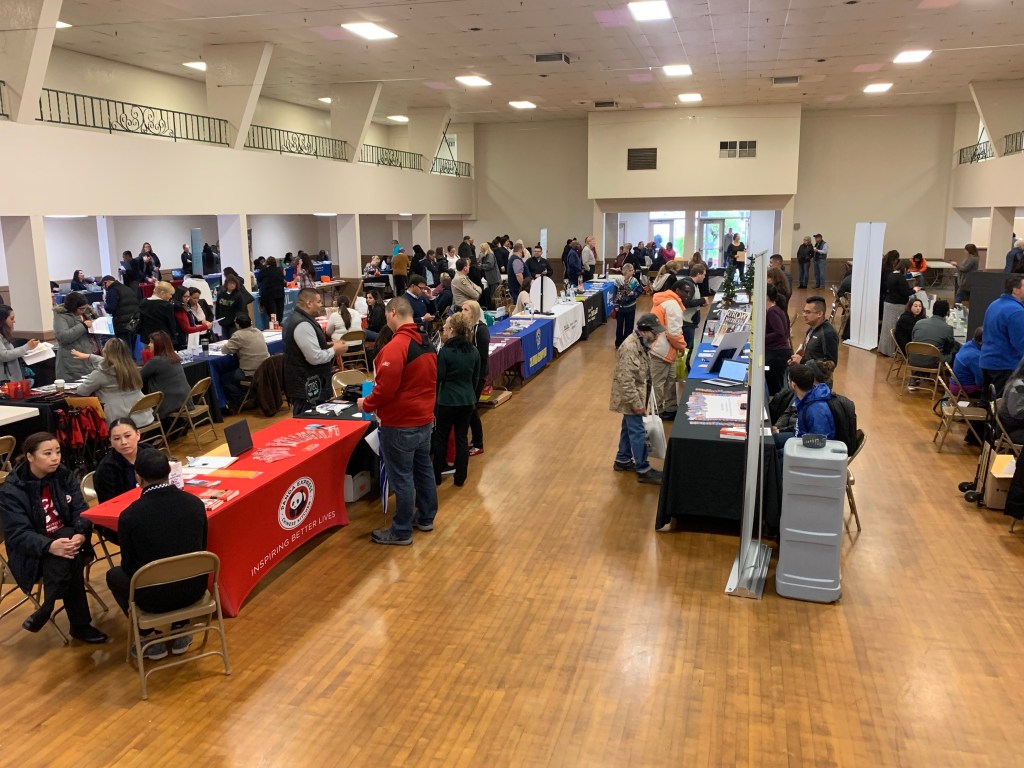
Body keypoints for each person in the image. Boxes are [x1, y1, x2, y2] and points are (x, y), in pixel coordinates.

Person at [0, 433, 107, 643]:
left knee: (67, 542)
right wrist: (49, 546)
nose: (55, 458)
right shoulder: (13, 490)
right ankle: (79, 625)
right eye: (47, 453)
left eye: (57, 452)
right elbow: (18, 535)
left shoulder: (64, 475)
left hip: (67, 543)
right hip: (33, 554)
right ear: (30, 456)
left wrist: (81, 534)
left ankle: (48, 606)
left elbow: (80, 510)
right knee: (70, 556)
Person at [104, 449, 207, 660]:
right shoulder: (195, 504)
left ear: (138, 477)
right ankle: (181, 627)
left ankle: (148, 636)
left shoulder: (130, 516)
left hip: (153, 599)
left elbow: (129, 566)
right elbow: (201, 547)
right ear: (169, 471)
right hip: (194, 589)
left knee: (114, 575)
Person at [357, 297, 438, 545]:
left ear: (392, 312)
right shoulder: (426, 341)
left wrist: (366, 404)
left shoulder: (396, 346)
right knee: (423, 471)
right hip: (424, 419)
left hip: (401, 423)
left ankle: (401, 530)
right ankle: (425, 517)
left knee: (402, 478)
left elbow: (385, 389)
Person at [610, 313, 663, 485]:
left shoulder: (641, 344)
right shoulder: (629, 348)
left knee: (628, 428)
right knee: (638, 431)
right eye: (655, 333)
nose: (656, 337)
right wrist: (636, 404)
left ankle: (623, 459)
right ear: (644, 331)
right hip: (630, 397)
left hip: (636, 395)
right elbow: (625, 380)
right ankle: (643, 469)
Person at [432, 312, 480, 487]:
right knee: (462, 438)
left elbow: (438, 377)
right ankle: (460, 477)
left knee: (441, 438)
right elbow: (475, 378)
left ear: (452, 330)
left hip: (447, 401)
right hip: (467, 400)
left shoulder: (445, 351)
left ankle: (436, 476)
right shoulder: (473, 351)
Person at [282, 288, 347, 415]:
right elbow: (314, 357)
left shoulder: (295, 318)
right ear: (309, 303)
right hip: (307, 387)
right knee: (309, 421)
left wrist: (329, 345)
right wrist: (334, 350)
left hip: (306, 384)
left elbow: (308, 347)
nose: (321, 305)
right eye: (318, 302)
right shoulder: (302, 324)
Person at [74, 338, 154, 427]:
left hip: (119, 422)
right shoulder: (133, 369)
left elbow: (82, 391)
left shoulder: (102, 373)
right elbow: (114, 361)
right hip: (144, 417)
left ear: (105, 352)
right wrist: (90, 356)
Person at [93, 418, 161, 504]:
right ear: (111, 442)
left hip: (155, 500)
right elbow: (108, 503)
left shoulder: (149, 451)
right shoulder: (106, 468)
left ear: (138, 435)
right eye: (117, 438)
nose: (123, 442)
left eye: (127, 436)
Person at [980, 274, 1024, 401]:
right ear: (1015, 290)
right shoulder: (1016, 311)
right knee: (1001, 405)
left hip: (987, 361)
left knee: (987, 402)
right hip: (1005, 364)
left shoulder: (994, 304)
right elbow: (1020, 343)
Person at [218, 314, 269, 410]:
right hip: (265, 369)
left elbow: (225, 350)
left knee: (225, 379)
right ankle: (249, 396)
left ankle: (240, 400)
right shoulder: (258, 331)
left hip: (251, 372)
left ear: (237, 325)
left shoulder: (238, 335)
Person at [140, 331, 191, 420]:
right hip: (185, 400)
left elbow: (137, 377)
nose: (149, 345)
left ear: (159, 345)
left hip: (168, 404)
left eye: (151, 342)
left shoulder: (156, 361)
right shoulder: (174, 356)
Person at [462, 300, 490, 456]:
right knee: (471, 409)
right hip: (470, 375)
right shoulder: (468, 328)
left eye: (466, 309)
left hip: (478, 376)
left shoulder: (481, 331)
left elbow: (482, 357)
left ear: (473, 312)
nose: (462, 312)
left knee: (472, 408)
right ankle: (475, 441)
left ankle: (478, 443)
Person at [52, 292, 96, 381]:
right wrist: (83, 326)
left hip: (88, 356)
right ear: (72, 307)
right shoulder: (61, 316)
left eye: (85, 308)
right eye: (81, 309)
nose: (83, 310)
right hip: (71, 361)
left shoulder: (87, 313)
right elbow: (63, 337)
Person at [877, 258, 914, 357]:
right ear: (904, 268)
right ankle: (891, 351)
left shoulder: (891, 275)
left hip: (888, 303)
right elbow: (905, 292)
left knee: (886, 328)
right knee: (894, 327)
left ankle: (884, 349)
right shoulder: (900, 278)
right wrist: (914, 290)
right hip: (896, 305)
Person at [789, 296, 839, 367]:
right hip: (806, 371)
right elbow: (806, 351)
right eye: (804, 311)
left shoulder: (828, 333)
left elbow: (831, 364)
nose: (804, 315)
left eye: (808, 312)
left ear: (819, 314)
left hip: (816, 374)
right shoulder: (811, 329)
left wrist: (802, 361)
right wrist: (796, 358)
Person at [908, 299, 957, 369]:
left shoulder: (919, 323)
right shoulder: (948, 328)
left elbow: (913, 338)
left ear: (933, 310)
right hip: (933, 363)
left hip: (913, 359)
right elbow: (950, 346)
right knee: (955, 351)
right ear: (947, 313)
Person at [1, 306, 42, 382]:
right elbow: (4, 355)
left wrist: (27, 351)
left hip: (12, 377)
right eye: (12, 318)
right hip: (5, 380)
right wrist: (26, 347)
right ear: (2, 320)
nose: (14, 321)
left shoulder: (4, 334)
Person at [765, 284, 792, 395]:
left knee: (775, 387)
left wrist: (762, 338)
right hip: (778, 353)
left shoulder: (772, 311)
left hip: (777, 354)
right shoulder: (776, 310)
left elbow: (779, 333)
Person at [102, 274, 140, 351]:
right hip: (134, 321)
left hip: (122, 323)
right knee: (133, 346)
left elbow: (110, 308)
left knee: (125, 348)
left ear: (108, 282)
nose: (103, 287)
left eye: (103, 284)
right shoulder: (127, 288)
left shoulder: (112, 290)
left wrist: (105, 304)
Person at [138, 280, 177, 345]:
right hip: (163, 339)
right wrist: (173, 339)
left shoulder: (143, 302)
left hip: (147, 339)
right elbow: (171, 324)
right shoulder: (167, 306)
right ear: (162, 293)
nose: (171, 297)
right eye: (170, 294)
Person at [613, 264, 643, 348]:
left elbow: (639, 291)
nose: (633, 271)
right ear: (626, 271)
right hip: (620, 307)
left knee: (629, 326)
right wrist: (616, 305)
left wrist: (634, 294)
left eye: (633, 270)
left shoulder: (635, 281)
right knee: (619, 325)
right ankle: (618, 343)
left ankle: (627, 342)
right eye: (631, 270)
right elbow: (615, 293)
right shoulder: (618, 280)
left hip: (631, 306)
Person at [215, 275, 249, 340]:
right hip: (223, 323)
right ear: (226, 284)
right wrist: (218, 319)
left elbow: (242, 309)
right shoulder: (221, 294)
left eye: (234, 283)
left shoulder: (239, 295)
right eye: (230, 283)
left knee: (234, 340)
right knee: (225, 341)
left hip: (233, 324)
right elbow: (218, 308)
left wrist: (237, 321)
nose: (232, 285)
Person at [951, 327, 983, 396]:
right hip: (963, 389)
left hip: (955, 384)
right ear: (981, 342)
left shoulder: (968, 344)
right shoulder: (975, 355)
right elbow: (980, 381)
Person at [258, 256, 286, 325]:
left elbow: (259, 279)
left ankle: (273, 326)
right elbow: (282, 280)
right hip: (280, 293)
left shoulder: (264, 271)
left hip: (269, 294)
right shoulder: (280, 270)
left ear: (267, 262)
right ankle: (279, 325)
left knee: (272, 313)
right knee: (279, 312)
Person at [478, 242, 500, 309]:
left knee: (493, 296)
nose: (480, 250)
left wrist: (481, 266)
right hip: (492, 279)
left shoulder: (490, 255)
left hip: (493, 279)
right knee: (492, 295)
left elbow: (490, 265)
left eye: (481, 248)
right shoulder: (487, 255)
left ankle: (494, 309)